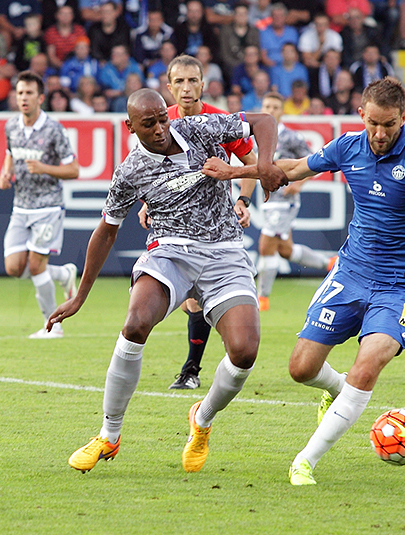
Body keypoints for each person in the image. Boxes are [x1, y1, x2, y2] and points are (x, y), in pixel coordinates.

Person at [200, 77, 405, 485]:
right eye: (374, 124)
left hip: (397, 286)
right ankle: (336, 387)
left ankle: (305, 460)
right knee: (301, 368)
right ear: (361, 114)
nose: (380, 134)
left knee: (369, 364)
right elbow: (293, 168)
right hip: (350, 274)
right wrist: (234, 173)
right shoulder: (348, 145)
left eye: (390, 126)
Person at [46, 87, 286, 475]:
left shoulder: (199, 128)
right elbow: (105, 231)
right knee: (135, 322)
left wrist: (267, 164)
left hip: (224, 250)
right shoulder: (129, 171)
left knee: (244, 351)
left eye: (163, 118)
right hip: (170, 252)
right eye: (149, 123)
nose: (160, 128)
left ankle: (202, 419)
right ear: (129, 126)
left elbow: (263, 121)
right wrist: (80, 297)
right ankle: (109, 435)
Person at [142, 54, 258, 391]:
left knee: (197, 300)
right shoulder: (159, 122)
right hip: (174, 227)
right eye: (179, 82)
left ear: (203, 84)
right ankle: (209, 355)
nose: (187, 88)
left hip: (216, 228)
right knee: (189, 302)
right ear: (169, 87)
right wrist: (149, 202)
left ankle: (192, 369)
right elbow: (149, 171)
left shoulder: (221, 121)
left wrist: (243, 199)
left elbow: (251, 162)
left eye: (193, 80)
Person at [0, 71, 80, 339]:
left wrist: (44, 168)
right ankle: (63, 273)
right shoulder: (11, 126)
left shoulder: (54, 130)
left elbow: (74, 170)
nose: (23, 98)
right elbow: (10, 154)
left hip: (48, 207)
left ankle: (53, 325)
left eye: (29, 93)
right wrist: (4, 172)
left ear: (40, 98)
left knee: (35, 266)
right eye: (20, 92)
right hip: (20, 207)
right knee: (13, 268)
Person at [256, 92, 336, 311]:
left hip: (284, 201)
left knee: (265, 246)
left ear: (282, 111)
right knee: (285, 249)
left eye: (275, 107)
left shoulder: (291, 137)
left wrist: (298, 185)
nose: (270, 110)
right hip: (268, 200)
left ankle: (262, 298)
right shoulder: (257, 135)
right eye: (267, 106)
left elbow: (315, 161)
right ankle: (329, 263)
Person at [218, 2, 260, 81]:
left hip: (251, 65)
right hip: (231, 67)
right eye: (239, 14)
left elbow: (258, 50)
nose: (241, 17)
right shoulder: (225, 31)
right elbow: (224, 54)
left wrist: (249, 64)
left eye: (244, 14)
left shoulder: (254, 31)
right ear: (234, 15)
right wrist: (238, 66)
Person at [44, 5, 88, 71]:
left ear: (73, 16)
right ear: (57, 16)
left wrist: (72, 66)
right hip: (56, 68)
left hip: (78, 66)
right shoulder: (50, 32)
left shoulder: (80, 30)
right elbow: (51, 56)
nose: (66, 16)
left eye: (68, 14)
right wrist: (65, 67)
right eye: (63, 14)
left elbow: (84, 50)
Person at [258, 3, 299, 68]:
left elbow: (296, 55)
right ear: (271, 17)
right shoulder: (264, 32)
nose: (277, 18)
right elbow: (263, 56)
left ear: (285, 17)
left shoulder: (292, 32)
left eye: (280, 16)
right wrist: (275, 68)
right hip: (270, 67)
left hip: (289, 66)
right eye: (275, 15)